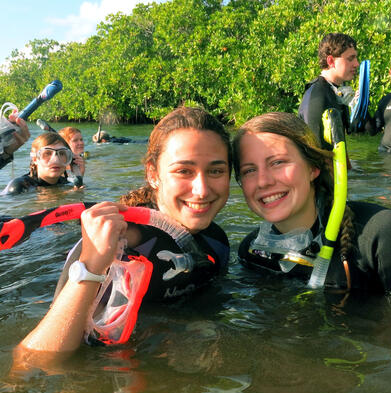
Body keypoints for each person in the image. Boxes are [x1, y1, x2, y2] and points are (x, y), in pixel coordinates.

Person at [14, 107, 231, 361]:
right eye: (184, 171)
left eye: (216, 171)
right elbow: (32, 363)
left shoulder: (217, 241)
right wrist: (91, 265)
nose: (202, 190)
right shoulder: (118, 246)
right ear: (153, 174)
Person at [232, 112, 391, 299]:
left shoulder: (382, 234)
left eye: (277, 162)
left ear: (313, 167)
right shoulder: (251, 252)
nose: (263, 181)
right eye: (249, 170)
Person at [298, 33, 359, 150]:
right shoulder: (317, 95)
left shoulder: (333, 90)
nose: (356, 64)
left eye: (356, 58)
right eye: (350, 58)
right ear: (331, 61)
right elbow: (314, 150)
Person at [2, 132, 73, 195]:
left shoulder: (68, 184)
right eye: (47, 153)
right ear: (35, 159)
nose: (56, 160)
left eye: (62, 153)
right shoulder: (20, 186)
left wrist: (79, 177)